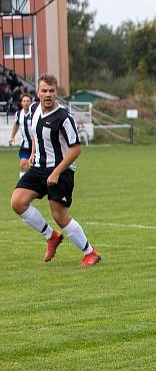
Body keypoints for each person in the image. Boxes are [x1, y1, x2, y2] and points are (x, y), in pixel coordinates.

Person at [10, 74, 102, 267]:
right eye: (44, 90)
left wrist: (57, 172)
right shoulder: (34, 109)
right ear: (38, 92)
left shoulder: (64, 117)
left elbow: (76, 148)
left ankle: (90, 252)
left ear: (56, 92)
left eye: (51, 91)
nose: (48, 94)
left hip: (62, 169)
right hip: (39, 167)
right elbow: (36, 133)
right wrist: (34, 151)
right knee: (18, 202)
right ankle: (51, 237)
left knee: (59, 215)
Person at [7, 93, 33, 178]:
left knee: (36, 167)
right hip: (25, 144)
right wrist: (12, 136)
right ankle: (22, 186)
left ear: (31, 102)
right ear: (21, 103)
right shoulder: (18, 114)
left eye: (28, 101)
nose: (26, 103)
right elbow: (16, 124)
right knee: (22, 165)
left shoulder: (35, 113)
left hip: (37, 145)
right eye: (24, 101)